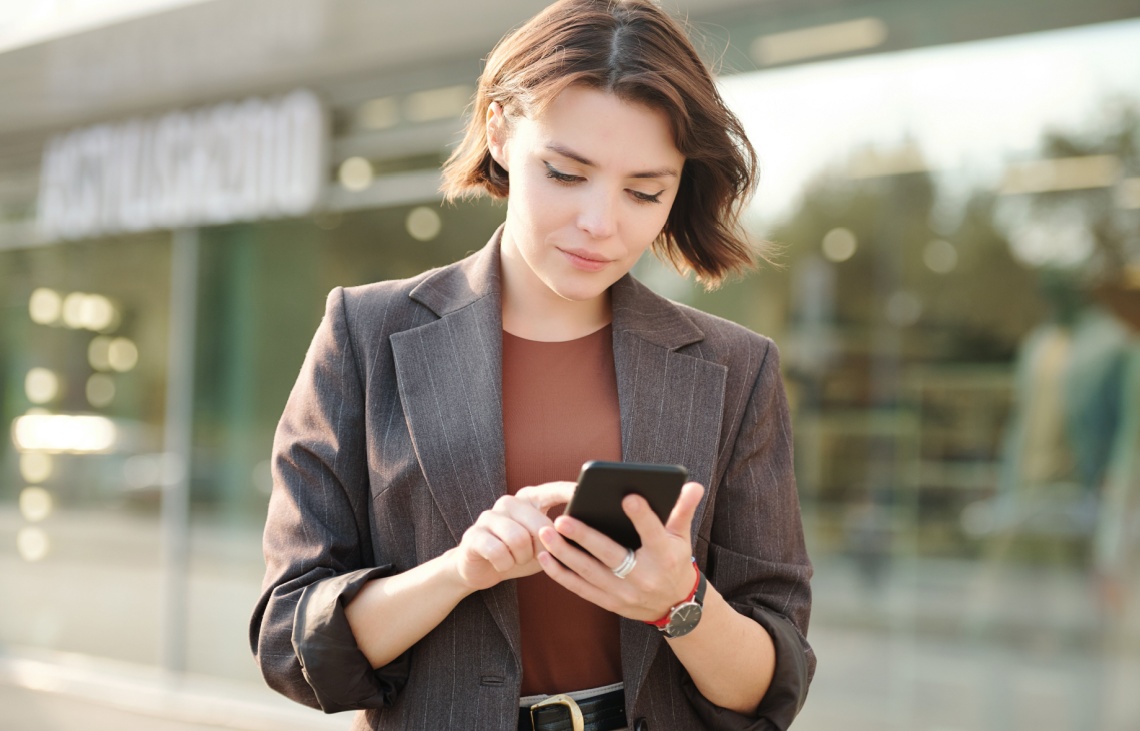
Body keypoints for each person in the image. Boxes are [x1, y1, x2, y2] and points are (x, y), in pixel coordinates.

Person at [249, 2, 815, 730]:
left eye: (645, 191)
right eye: (566, 173)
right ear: (500, 132)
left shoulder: (739, 370)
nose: (602, 222)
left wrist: (681, 603)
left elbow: (774, 684)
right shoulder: (364, 333)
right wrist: (459, 572)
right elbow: (289, 643)